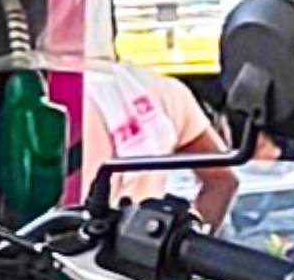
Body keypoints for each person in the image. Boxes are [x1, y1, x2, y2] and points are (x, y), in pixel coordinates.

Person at [83, 59, 243, 227]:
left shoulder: (71, 99)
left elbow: (222, 181)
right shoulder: (161, 90)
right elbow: (222, 180)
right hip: (139, 242)